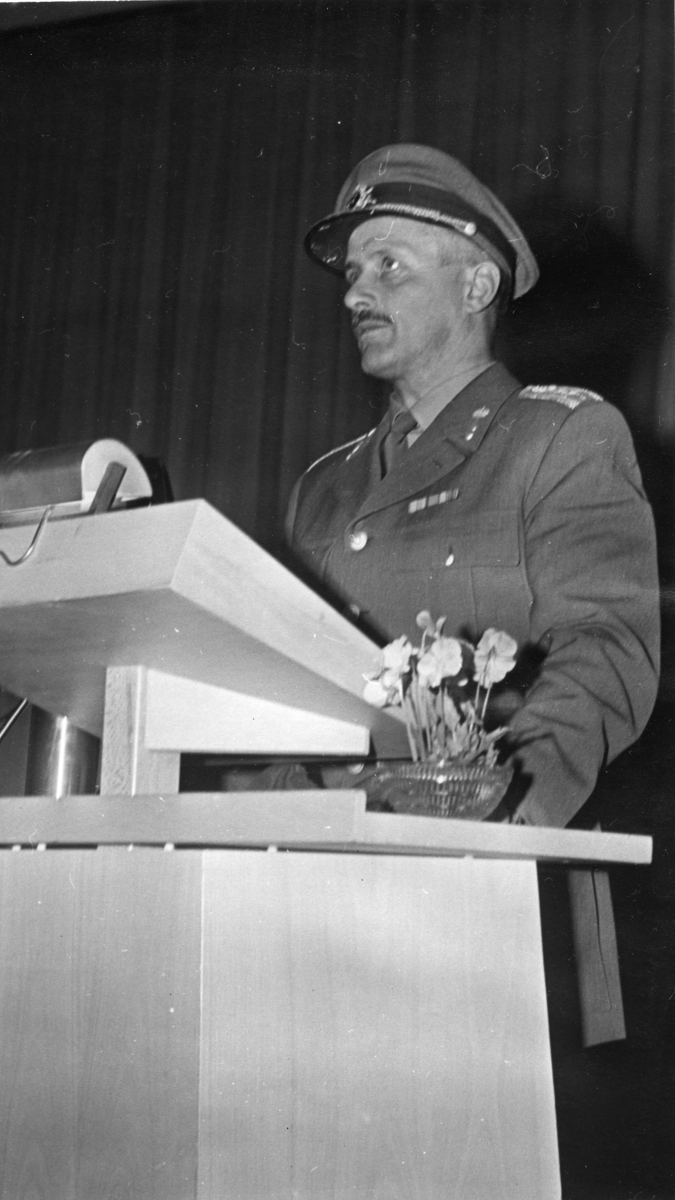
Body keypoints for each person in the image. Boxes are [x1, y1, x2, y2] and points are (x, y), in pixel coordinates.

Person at [287, 144, 660, 828]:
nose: (354, 294)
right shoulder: (321, 487)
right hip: (314, 851)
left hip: (480, 852)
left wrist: (494, 813)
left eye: (388, 265)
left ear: (477, 287)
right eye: (353, 272)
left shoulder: (559, 437)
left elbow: (602, 656)